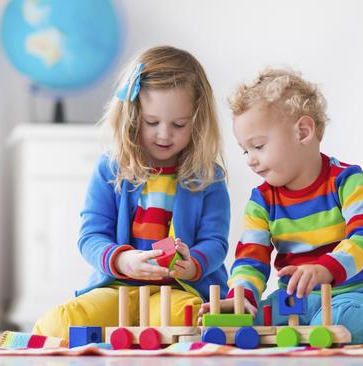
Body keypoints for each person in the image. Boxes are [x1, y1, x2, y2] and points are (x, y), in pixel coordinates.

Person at [199, 68, 363, 344]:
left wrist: (326, 269)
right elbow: (251, 257)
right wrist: (242, 296)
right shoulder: (262, 200)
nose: (250, 160)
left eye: (258, 146)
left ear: (303, 132)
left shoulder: (346, 180)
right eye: (245, 150)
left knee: (339, 319)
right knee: (246, 319)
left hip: (353, 291)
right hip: (296, 301)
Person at [33, 46, 230, 339]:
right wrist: (122, 261)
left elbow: (215, 241)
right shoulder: (110, 169)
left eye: (178, 125)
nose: (164, 134)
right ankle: (141, 330)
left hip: (177, 289)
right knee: (59, 324)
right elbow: (91, 237)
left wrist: (193, 266)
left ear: (197, 122)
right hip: (118, 287)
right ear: (132, 116)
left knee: (188, 318)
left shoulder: (208, 177)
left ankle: (150, 330)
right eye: (152, 122)